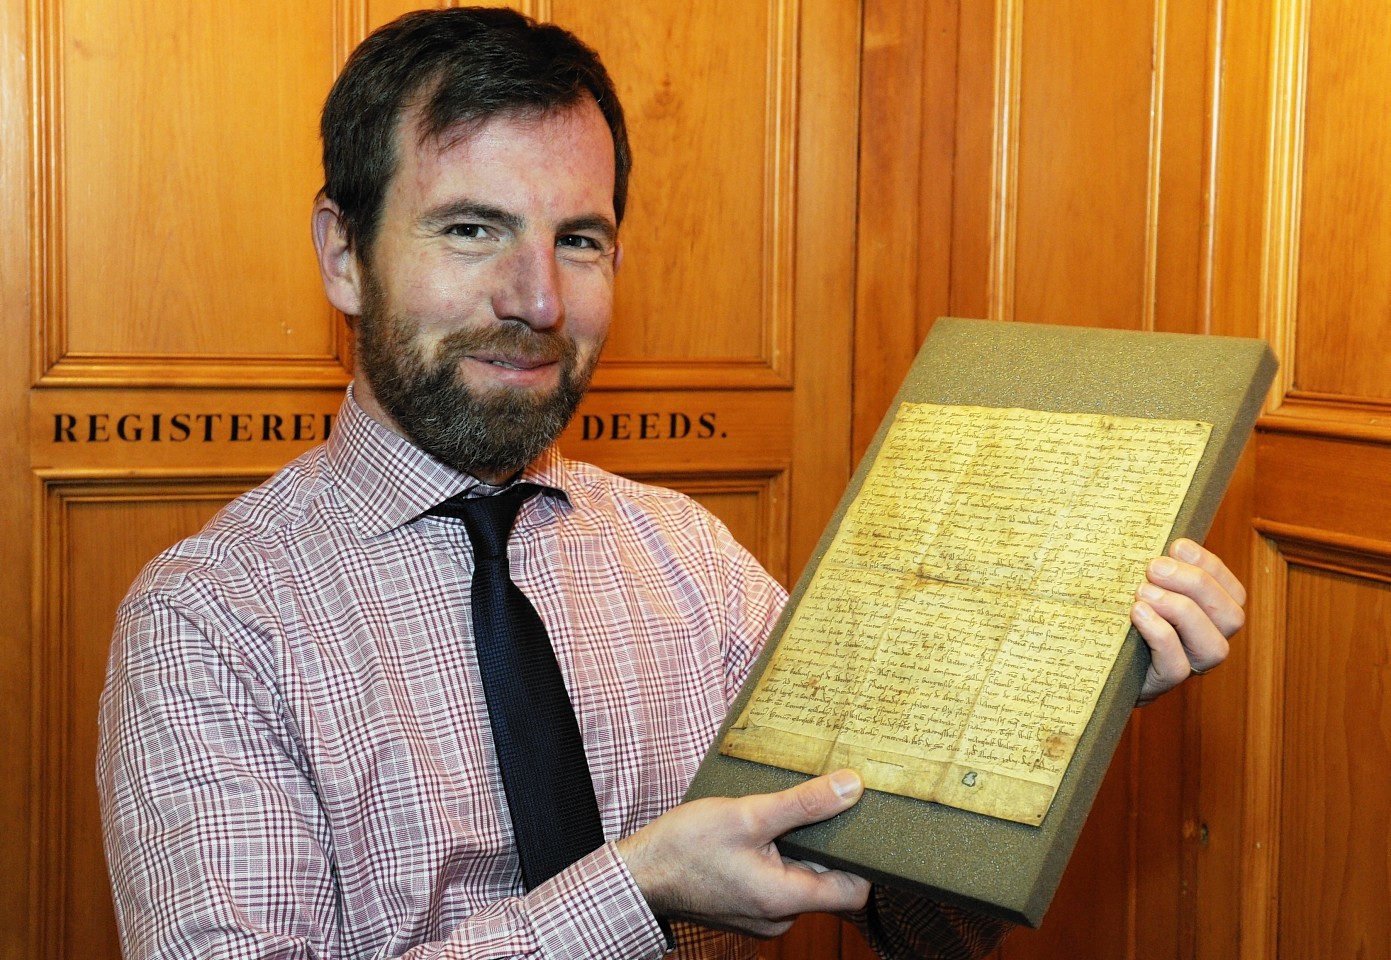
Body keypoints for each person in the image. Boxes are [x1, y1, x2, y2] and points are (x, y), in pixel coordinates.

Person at [97, 8, 1246, 960]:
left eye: (581, 240)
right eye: (470, 229)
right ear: (345, 255)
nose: (536, 299)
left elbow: (920, 909)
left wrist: (1062, 697)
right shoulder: (210, 621)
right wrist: (633, 890)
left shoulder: (684, 558)